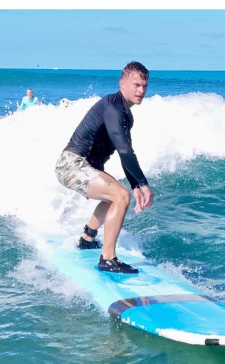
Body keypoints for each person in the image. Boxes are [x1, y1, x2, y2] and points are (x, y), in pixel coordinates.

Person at [54, 61, 154, 274]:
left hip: (82, 166)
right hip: (72, 165)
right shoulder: (113, 108)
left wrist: (135, 183)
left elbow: (123, 150)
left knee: (117, 195)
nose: (141, 90)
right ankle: (108, 259)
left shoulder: (125, 113)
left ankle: (87, 238)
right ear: (122, 84)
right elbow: (125, 151)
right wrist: (143, 184)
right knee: (120, 196)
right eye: (136, 84)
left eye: (144, 85)